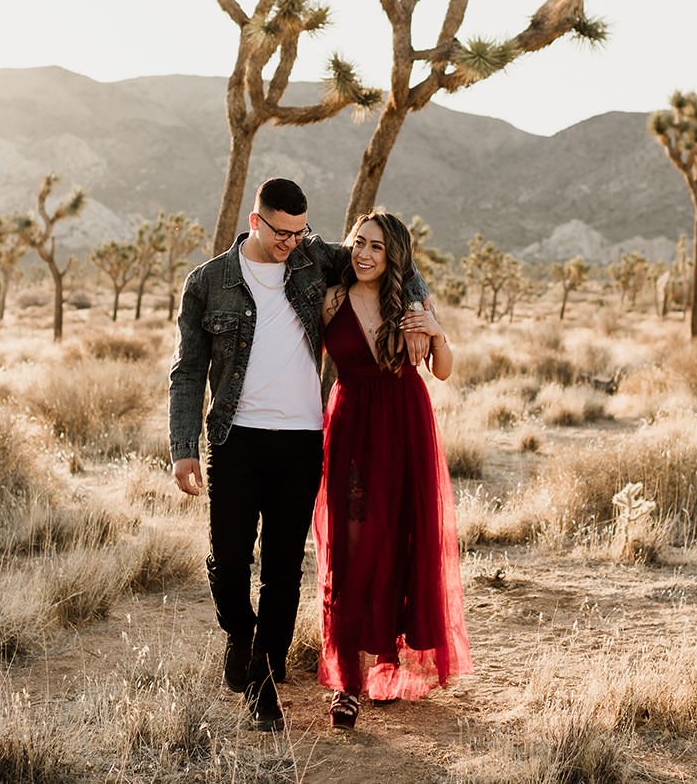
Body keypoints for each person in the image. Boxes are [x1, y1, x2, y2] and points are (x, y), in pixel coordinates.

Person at [167, 179, 427, 732]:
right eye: (281, 232)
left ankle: (263, 683)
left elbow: (391, 258)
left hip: (302, 439)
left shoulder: (312, 259)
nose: (291, 242)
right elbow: (188, 370)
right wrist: (182, 448)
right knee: (230, 561)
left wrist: (422, 309)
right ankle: (240, 633)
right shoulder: (209, 282)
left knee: (283, 570)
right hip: (235, 437)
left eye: (300, 231)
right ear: (256, 222)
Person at [314, 207, 471, 730]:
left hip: (403, 427)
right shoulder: (333, 298)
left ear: (394, 255)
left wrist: (437, 331)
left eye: (376, 247)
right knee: (352, 547)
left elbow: (442, 371)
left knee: (396, 541)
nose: (363, 254)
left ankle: (383, 659)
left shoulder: (409, 303)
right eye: (359, 242)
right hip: (352, 427)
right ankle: (348, 684)